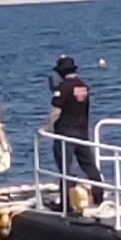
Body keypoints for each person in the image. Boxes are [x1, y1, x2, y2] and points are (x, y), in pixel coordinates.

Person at [45, 55, 105, 212]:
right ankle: (99, 196)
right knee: (89, 165)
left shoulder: (63, 89)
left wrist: (48, 129)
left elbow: (55, 112)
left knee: (65, 169)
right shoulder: (84, 87)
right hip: (82, 132)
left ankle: (65, 204)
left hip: (66, 133)